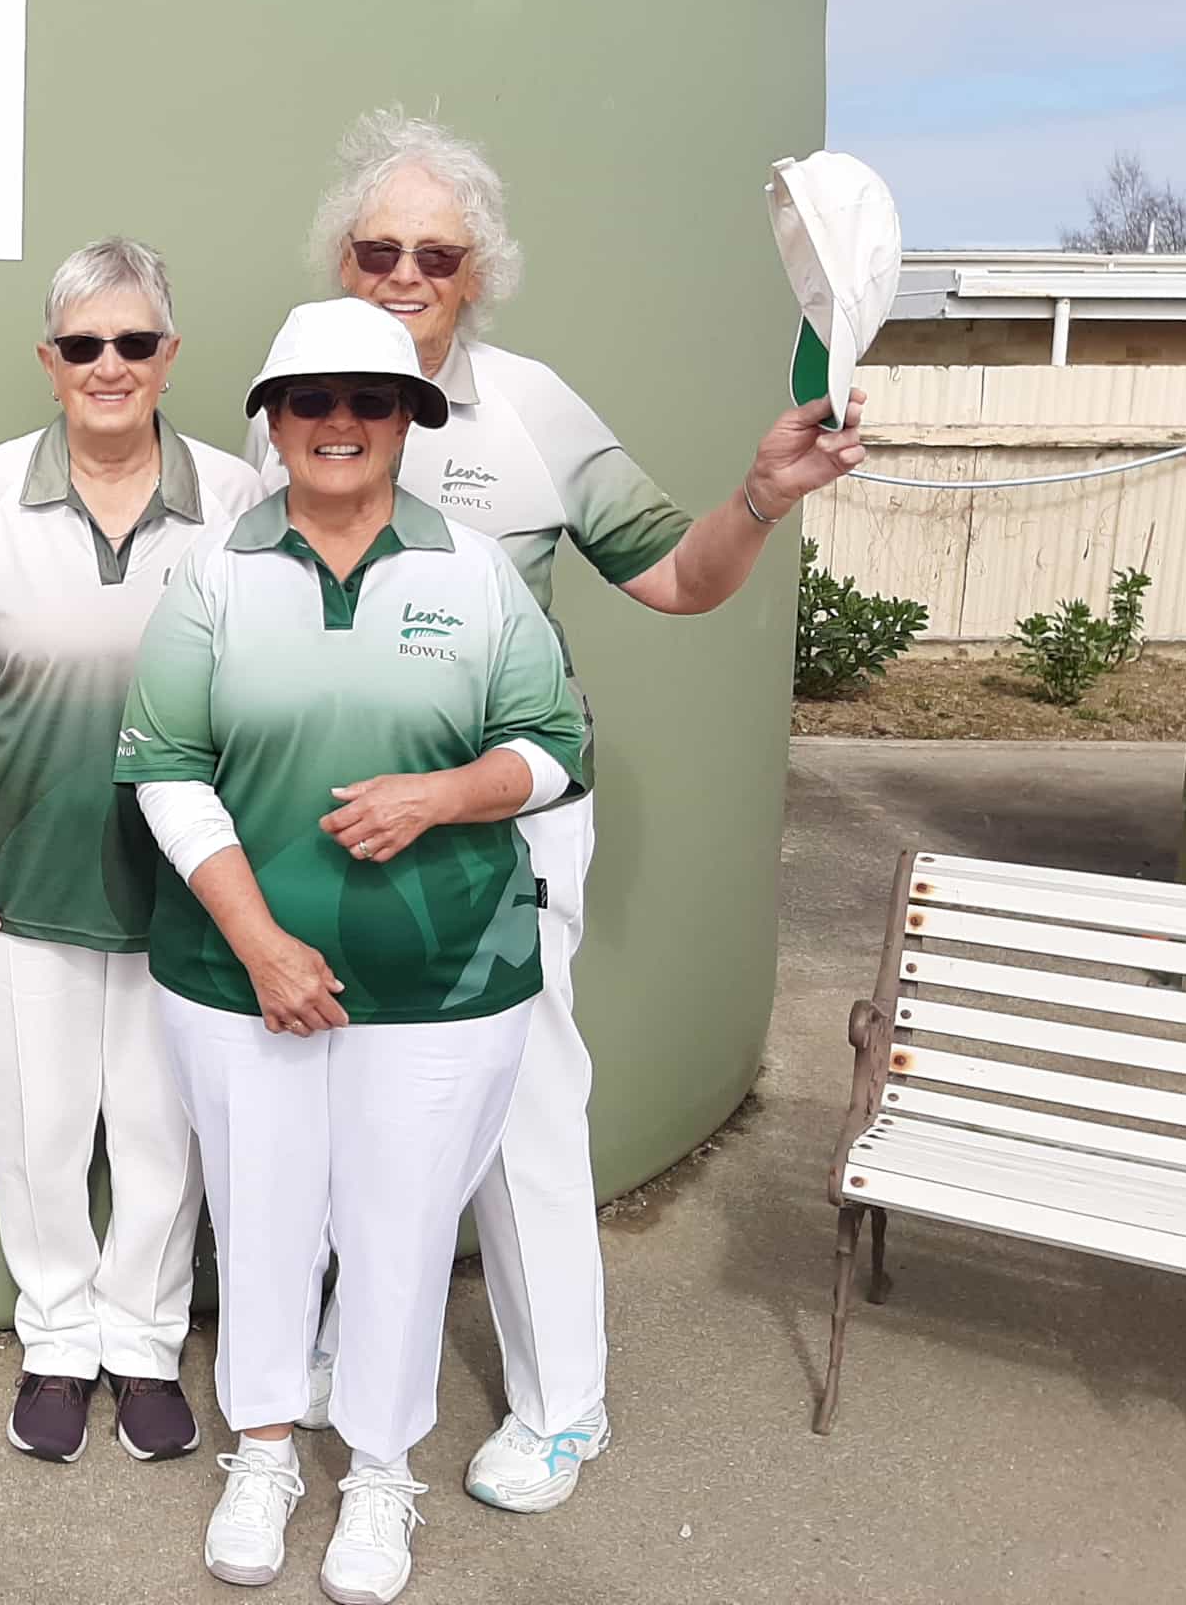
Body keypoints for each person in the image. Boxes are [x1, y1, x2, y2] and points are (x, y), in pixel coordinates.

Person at [271, 110, 866, 1515]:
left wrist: (757, 498)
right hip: (346, 820)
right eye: (379, 250)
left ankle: (561, 1408)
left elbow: (678, 579)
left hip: (508, 822)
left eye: (437, 255)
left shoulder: (532, 409)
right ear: (343, 263)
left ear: (476, 276)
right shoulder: (290, 398)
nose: (405, 274)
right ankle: (358, 1339)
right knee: (359, 1090)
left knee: (521, 1100)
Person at [119, 298, 586, 1602]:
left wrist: (443, 795)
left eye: (370, 400)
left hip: (445, 984)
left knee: (401, 1231)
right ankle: (265, 1453)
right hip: (238, 979)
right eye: (310, 401)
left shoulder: (474, 573)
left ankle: (380, 1473)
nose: (339, 423)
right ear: (272, 422)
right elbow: (165, 767)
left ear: (408, 420)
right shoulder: (213, 574)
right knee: (261, 1219)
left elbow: (556, 748)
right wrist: (261, 942)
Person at [0, 238, 261, 1465]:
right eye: (82, 345)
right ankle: (57, 1340)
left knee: (165, 1134)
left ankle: (146, 1344)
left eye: (133, 342)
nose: (107, 365)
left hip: (188, 880)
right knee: (38, 1128)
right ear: (48, 359)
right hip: (20, 871)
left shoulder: (236, 498)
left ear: (169, 355)